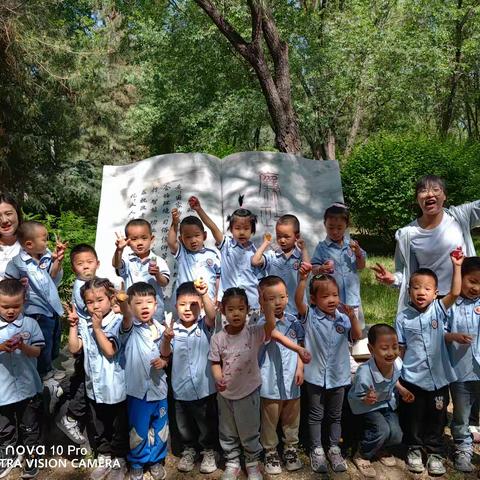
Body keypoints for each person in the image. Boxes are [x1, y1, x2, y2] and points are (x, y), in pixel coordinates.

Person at [396, 251, 463, 475]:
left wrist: (457, 266)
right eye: (416, 287)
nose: (421, 292)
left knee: (437, 417)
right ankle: (414, 448)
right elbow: (401, 348)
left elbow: (455, 291)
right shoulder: (403, 317)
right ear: (409, 292)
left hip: (438, 379)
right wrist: (400, 377)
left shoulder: (439, 309)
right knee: (413, 418)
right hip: (413, 378)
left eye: (427, 288)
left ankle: (435, 452)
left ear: (435, 293)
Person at [372, 175, 480, 310]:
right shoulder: (407, 234)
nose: (430, 194)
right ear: (417, 199)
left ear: (444, 196)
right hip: (431, 304)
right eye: (423, 191)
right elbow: (405, 273)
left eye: (436, 190)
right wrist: (393, 279)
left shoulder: (460, 216)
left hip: (464, 300)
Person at [295, 267, 362, 473]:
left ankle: (334, 448)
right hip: (315, 376)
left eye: (335, 295)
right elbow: (298, 302)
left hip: (339, 377)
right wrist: (304, 280)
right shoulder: (311, 316)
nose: (331, 299)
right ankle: (316, 449)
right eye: (325, 296)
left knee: (335, 415)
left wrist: (352, 318)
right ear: (314, 299)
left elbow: (357, 336)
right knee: (316, 415)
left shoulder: (342, 318)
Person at [66, 278, 128, 480]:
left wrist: (98, 328)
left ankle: (119, 459)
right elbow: (75, 348)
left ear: (111, 299)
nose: (95, 305)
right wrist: (74, 326)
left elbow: (110, 351)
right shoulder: (85, 323)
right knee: (99, 424)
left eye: (100, 300)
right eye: (90, 302)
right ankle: (104, 455)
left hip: (116, 387)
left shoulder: (117, 322)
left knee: (118, 425)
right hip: (94, 388)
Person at [160, 281, 218, 474]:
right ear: (175, 305)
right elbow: (165, 354)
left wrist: (204, 295)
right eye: (182, 304)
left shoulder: (205, 326)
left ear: (200, 305)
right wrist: (167, 339)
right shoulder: (172, 329)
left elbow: (213, 316)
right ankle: (189, 450)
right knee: (184, 425)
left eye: (193, 304)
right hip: (181, 388)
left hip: (204, 388)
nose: (187, 309)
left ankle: (209, 451)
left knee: (206, 423)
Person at [348, 324, 414, 478]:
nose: (391, 353)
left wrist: (401, 389)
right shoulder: (364, 373)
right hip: (367, 407)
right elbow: (355, 396)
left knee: (397, 434)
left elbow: (393, 380)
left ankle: (380, 448)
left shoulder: (396, 364)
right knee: (381, 430)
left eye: (395, 347)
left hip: (386, 403)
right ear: (371, 349)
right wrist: (366, 398)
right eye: (384, 348)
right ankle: (363, 453)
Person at [119, 282, 169, 480]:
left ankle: (156, 459)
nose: (145, 306)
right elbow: (125, 316)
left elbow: (167, 354)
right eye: (138, 303)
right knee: (137, 429)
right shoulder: (129, 327)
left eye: (149, 302)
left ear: (156, 305)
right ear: (131, 307)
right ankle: (137, 462)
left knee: (160, 427)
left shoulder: (161, 328)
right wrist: (123, 302)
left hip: (159, 389)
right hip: (137, 392)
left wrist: (164, 361)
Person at [4, 221, 66, 382]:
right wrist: (20, 286)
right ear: (29, 244)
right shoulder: (18, 263)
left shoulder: (46, 256)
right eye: (44, 239)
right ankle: (43, 372)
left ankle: (50, 365)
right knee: (42, 341)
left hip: (51, 306)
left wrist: (57, 260)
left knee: (54, 337)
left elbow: (54, 278)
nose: (47, 243)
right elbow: (9, 287)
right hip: (35, 310)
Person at [257, 276, 305, 475]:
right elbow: (270, 332)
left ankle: (291, 449)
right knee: (270, 419)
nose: (278, 303)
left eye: (282, 297)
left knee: (291, 418)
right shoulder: (260, 322)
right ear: (261, 300)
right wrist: (267, 312)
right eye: (270, 299)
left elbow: (300, 347)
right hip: (270, 382)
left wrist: (300, 368)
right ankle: (270, 451)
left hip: (292, 381)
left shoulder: (294, 321)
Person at [188, 195, 263, 321]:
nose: (242, 232)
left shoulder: (256, 253)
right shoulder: (226, 245)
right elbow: (212, 227)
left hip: (251, 304)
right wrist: (198, 209)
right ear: (231, 229)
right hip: (228, 305)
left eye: (246, 228)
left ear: (252, 230)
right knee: (228, 338)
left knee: (251, 339)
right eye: (237, 228)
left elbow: (260, 280)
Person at [0, 278, 45, 479]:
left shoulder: (30, 324)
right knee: (4, 428)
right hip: (3, 391)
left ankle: (31, 457)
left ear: (24, 302)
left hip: (28, 389)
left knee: (29, 426)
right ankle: (7, 457)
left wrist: (23, 347)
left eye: (16, 306)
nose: (10, 311)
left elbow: (37, 352)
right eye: (4, 306)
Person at [57, 244, 100, 445]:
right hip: (85, 340)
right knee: (86, 377)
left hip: (90, 339)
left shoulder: (91, 284)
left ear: (97, 264)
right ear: (74, 268)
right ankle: (72, 416)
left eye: (89, 262)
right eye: (80, 264)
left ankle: (63, 388)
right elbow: (96, 309)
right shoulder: (81, 289)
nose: (86, 267)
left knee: (81, 372)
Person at [445, 256, 480, 472]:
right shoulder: (450, 306)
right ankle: (462, 447)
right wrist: (452, 336)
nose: (477, 288)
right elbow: (438, 332)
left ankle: (473, 430)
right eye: (472, 281)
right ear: (460, 278)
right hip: (460, 371)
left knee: (474, 410)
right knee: (461, 412)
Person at [311, 203, 366, 328]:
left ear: (347, 226)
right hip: (329, 301)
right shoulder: (322, 248)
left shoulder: (352, 246)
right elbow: (313, 269)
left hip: (351, 300)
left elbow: (361, 266)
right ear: (324, 224)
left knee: (351, 331)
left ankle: (350, 346)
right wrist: (321, 269)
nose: (335, 231)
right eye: (331, 227)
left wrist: (358, 253)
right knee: (333, 331)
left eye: (339, 228)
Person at [113, 219, 170, 322]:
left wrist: (157, 274)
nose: (139, 243)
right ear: (127, 242)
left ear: (151, 239)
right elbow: (116, 264)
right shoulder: (127, 260)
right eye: (134, 239)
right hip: (132, 314)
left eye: (144, 238)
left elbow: (164, 282)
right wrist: (119, 250)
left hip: (154, 315)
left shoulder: (159, 261)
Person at [251, 215, 309, 316]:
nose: (282, 240)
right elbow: (255, 261)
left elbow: (308, 267)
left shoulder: (300, 256)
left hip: (297, 309)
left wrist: (303, 249)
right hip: (275, 311)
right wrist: (265, 243)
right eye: (279, 236)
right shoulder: (272, 256)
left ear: (297, 237)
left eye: (286, 237)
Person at [167, 208, 220, 302]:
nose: (193, 240)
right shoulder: (182, 253)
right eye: (188, 237)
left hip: (207, 303)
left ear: (204, 235)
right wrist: (174, 224)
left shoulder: (212, 255)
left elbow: (218, 278)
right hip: (185, 303)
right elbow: (171, 242)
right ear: (181, 239)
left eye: (196, 235)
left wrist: (217, 297)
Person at [0, 193, 22, 280]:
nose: (4, 220)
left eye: (8, 214)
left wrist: (56, 262)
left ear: (17, 214)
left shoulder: (32, 241)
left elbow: (53, 280)